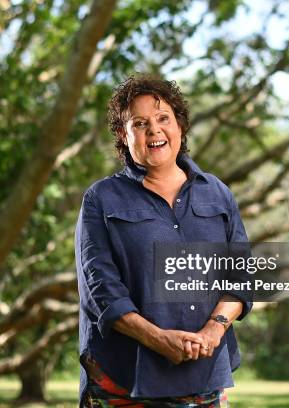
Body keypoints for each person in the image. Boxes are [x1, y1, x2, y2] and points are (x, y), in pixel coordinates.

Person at [75, 74, 252, 407]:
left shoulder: (217, 193)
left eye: (162, 119)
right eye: (139, 123)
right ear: (122, 136)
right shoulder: (101, 200)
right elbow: (102, 292)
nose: (153, 130)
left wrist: (212, 332)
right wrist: (158, 340)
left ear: (180, 126)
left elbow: (240, 277)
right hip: (124, 380)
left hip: (204, 380)